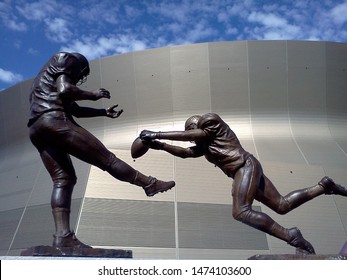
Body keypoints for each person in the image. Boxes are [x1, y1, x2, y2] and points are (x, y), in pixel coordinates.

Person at [140, 112, 347, 254]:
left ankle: (291, 235)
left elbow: (193, 136)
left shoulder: (210, 121)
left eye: (191, 133)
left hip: (244, 166)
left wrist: (157, 133)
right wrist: (161, 145)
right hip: (244, 170)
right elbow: (185, 152)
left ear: (196, 125)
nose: (194, 141)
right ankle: (323, 187)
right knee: (282, 205)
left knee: (241, 211)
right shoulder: (204, 145)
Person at [28, 52, 175, 249]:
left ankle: (62, 236)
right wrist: (93, 94)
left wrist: (103, 112)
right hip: (54, 121)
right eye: (81, 75)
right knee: (108, 160)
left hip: (36, 128)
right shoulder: (65, 59)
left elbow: (76, 109)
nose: (80, 78)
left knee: (63, 180)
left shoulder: (42, 82)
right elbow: (65, 90)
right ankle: (149, 184)